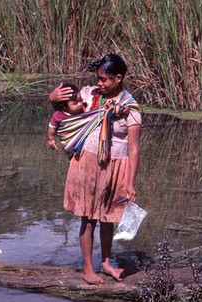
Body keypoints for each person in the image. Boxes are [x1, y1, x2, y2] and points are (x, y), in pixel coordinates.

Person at [49, 53, 141, 285]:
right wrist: (52, 98)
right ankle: (88, 268)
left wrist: (130, 183)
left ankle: (106, 264)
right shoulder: (91, 96)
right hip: (87, 165)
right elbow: (64, 111)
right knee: (88, 219)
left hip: (114, 167)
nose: (98, 83)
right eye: (98, 78)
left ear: (118, 78)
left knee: (108, 219)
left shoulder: (130, 109)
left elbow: (134, 149)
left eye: (104, 80)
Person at [47, 83, 84, 151]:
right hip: (69, 141)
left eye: (81, 100)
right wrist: (51, 139)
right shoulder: (59, 115)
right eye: (75, 103)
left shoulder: (83, 110)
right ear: (64, 106)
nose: (80, 104)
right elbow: (52, 128)